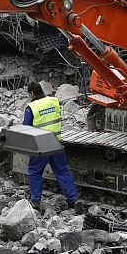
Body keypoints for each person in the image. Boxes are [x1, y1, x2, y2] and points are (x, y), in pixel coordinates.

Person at [23, 81, 79, 210]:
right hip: (56, 142)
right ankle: (74, 200)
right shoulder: (54, 101)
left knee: (34, 172)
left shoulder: (31, 107)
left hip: (40, 144)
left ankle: (36, 201)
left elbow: (26, 128)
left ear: (32, 93)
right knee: (62, 170)